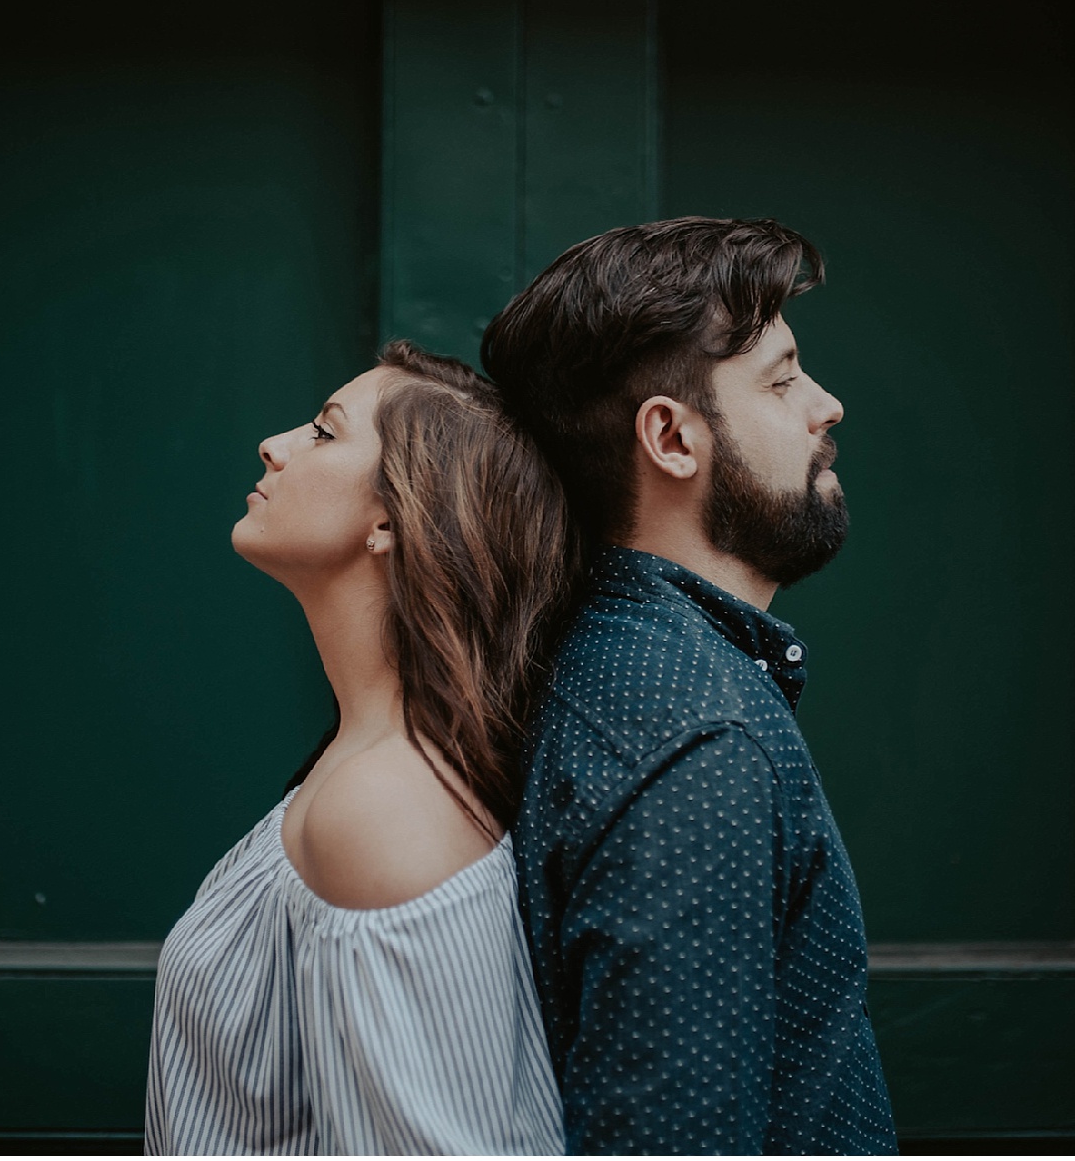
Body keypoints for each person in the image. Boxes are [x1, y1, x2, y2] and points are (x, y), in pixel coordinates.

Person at [481, 216, 899, 1155]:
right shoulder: (695, 739)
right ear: (672, 437)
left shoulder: (607, 666)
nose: (826, 406)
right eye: (783, 378)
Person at [144, 341, 579, 1156]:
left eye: (323, 431)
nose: (275, 444)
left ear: (392, 518)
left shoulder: (385, 809)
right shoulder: (367, 764)